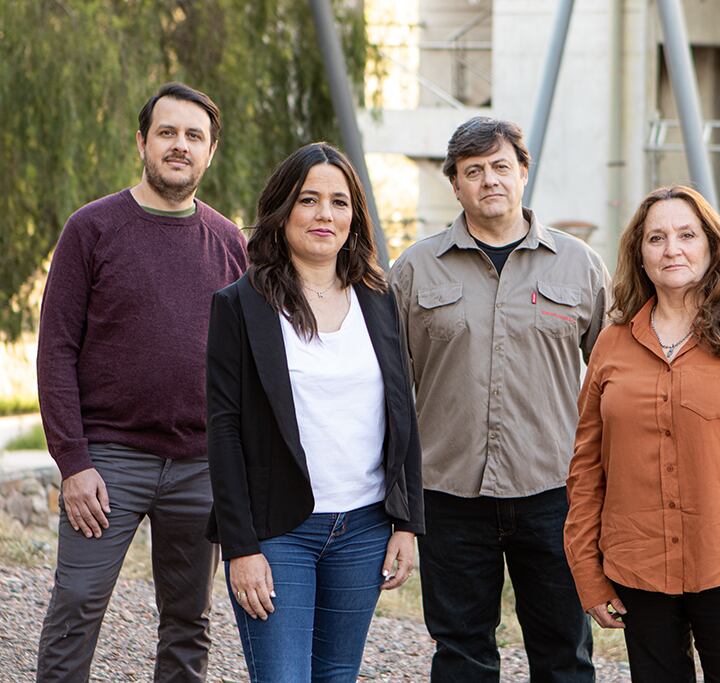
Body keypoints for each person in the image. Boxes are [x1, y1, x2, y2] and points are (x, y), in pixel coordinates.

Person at [35, 82, 246, 682]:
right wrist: (73, 462)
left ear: (210, 152)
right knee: (77, 604)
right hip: (107, 462)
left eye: (194, 136)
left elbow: (246, 364)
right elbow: (55, 351)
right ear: (142, 143)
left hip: (199, 466)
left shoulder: (231, 243)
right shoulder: (92, 228)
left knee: (188, 621)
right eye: (167, 133)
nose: (180, 146)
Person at [388, 116, 608, 682]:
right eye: (474, 171)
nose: (489, 180)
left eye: (501, 167)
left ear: (523, 173)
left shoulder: (579, 265)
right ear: (455, 185)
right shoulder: (413, 270)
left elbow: (617, 379)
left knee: (564, 654)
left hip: (553, 494)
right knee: (461, 655)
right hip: (448, 495)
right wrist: (398, 506)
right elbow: (389, 393)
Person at [564, 185, 720, 682]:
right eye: (655, 238)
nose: (671, 248)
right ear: (640, 254)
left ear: (712, 245)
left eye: (686, 235)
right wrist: (589, 575)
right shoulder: (612, 344)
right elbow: (586, 468)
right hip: (638, 568)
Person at [205, 142, 423, 682]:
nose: (325, 214)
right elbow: (224, 430)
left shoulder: (379, 299)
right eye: (309, 200)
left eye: (339, 201)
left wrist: (407, 522)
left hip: (365, 527)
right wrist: (241, 547)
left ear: (354, 215)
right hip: (280, 532)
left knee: (336, 677)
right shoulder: (241, 304)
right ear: (282, 211)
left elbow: (403, 411)